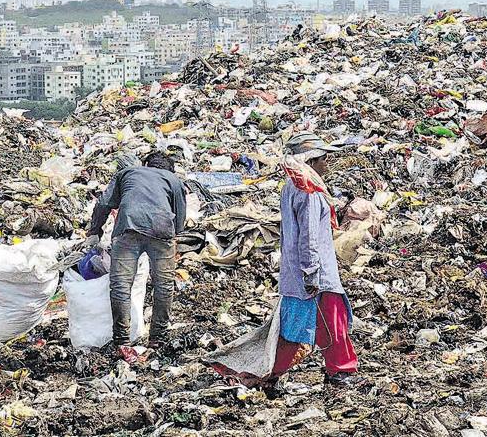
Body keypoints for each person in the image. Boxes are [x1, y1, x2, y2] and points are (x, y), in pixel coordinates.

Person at [208, 133, 359, 387]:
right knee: (330, 324)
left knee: (294, 330)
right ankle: (338, 370)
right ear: (310, 161)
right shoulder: (308, 192)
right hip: (315, 275)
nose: (327, 164)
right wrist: (312, 272)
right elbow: (309, 236)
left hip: (296, 273)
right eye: (323, 159)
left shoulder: (292, 186)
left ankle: (271, 373)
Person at [88, 151, 186, 361]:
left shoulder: (127, 173)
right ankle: (157, 339)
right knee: (164, 285)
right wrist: (171, 236)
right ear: (169, 169)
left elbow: (104, 203)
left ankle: (122, 342)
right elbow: (180, 221)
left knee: (121, 286)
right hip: (162, 230)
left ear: (146, 164)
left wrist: (94, 231)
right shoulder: (173, 180)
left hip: (128, 228)